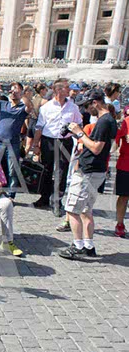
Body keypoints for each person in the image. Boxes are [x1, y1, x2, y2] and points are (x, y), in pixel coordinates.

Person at [59, 90, 118, 259]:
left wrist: (79, 133)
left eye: (86, 106)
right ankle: (89, 245)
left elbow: (96, 148)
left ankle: (78, 246)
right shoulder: (109, 120)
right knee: (86, 210)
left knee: (72, 209)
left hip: (89, 171)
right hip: (96, 170)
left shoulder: (104, 121)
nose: (85, 110)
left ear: (95, 103)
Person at [31, 78, 83, 210]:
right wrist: (36, 145)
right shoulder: (46, 107)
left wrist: (80, 141)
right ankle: (44, 197)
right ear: (58, 90)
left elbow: (79, 125)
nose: (69, 89)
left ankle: (57, 200)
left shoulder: (73, 107)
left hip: (65, 141)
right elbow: (39, 127)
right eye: (66, 87)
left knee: (62, 171)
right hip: (48, 140)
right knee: (46, 169)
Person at [0, 83, 32, 199]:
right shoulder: (3, 104)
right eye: (11, 90)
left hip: (12, 143)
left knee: (12, 170)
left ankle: (11, 195)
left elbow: (30, 107)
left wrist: (22, 95)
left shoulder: (22, 107)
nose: (13, 92)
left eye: (16, 90)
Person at [114, 106, 129, 238]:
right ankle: (120, 223)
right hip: (125, 165)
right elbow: (115, 143)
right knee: (123, 196)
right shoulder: (126, 122)